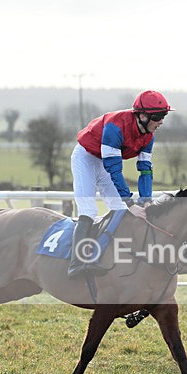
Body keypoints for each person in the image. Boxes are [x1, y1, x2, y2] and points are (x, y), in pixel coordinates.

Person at [68, 90, 172, 278]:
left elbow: (145, 169)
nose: (161, 122)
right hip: (86, 157)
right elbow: (114, 170)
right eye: (158, 117)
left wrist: (146, 199)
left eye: (163, 116)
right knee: (89, 210)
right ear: (142, 116)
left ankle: (110, 256)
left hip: (103, 160)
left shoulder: (149, 136)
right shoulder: (115, 127)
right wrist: (131, 203)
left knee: (119, 209)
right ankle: (77, 263)